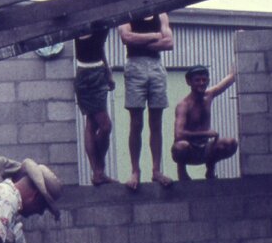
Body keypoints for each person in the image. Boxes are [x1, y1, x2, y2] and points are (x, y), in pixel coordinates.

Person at [119, 12, 174, 190]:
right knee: (136, 123)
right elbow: (126, 37)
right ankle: (135, 171)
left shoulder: (161, 14)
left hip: (156, 66)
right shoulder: (128, 12)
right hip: (134, 66)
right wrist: (155, 36)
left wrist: (140, 41)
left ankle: (156, 170)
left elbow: (169, 42)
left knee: (156, 123)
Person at [171, 65, 238, 181]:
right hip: (189, 149)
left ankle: (210, 170)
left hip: (205, 149)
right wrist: (206, 133)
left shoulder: (209, 95)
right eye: (197, 80)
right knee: (180, 146)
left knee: (231, 143)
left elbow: (229, 80)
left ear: (208, 81)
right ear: (189, 82)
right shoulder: (184, 105)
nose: (201, 83)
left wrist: (235, 68)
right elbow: (178, 134)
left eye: (204, 80)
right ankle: (182, 172)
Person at [74, 29, 117, 185]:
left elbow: (100, 47)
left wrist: (108, 72)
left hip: (99, 71)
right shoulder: (83, 21)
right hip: (86, 74)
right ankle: (99, 168)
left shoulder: (102, 23)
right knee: (105, 125)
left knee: (92, 124)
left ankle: (98, 173)